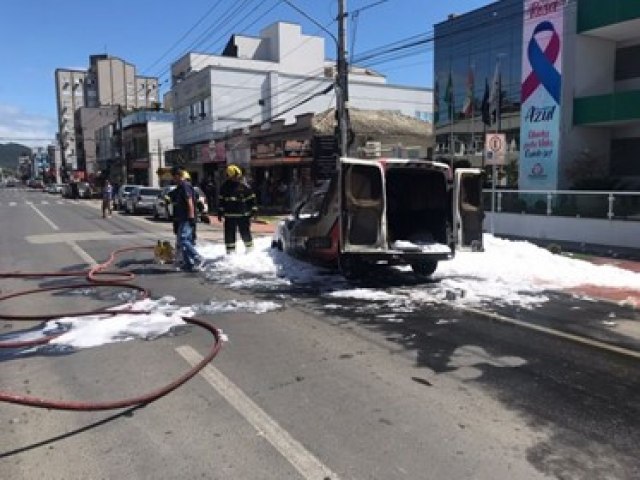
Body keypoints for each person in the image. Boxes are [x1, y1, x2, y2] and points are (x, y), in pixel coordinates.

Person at [218, 164, 257, 254]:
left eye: (237, 176)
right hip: (229, 216)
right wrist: (220, 211)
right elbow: (221, 201)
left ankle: (250, 251)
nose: (237, 178)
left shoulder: (244, 186)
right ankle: (231, 253)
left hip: (243, 215)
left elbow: (252, 199)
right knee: (229, 235)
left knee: (245, 233)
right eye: (235, 176)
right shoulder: (224, 187)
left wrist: (254, 211)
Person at [171, 166, 204, 272]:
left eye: (174, 177)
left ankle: (197, 258)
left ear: (178, 176)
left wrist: (191, 217)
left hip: (187, 218)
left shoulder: (186, 186)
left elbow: (190, 202)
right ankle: (188, 264)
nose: (173, 179)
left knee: (184, 240)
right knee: (183, 241)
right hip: (181, 218)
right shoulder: (180, 187)